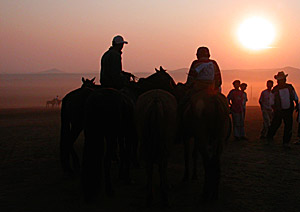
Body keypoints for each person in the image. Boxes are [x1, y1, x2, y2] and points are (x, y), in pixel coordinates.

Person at [267, 71, 299, 147]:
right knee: (276, 124)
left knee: (288, 125)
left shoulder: (290, 87)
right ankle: (270, 137)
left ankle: (286, 142)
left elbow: (295, 97)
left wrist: (297, 104)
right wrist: (274, 108)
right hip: (278, 110)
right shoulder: (275, 89)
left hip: (288, 109)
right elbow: (271, 100)